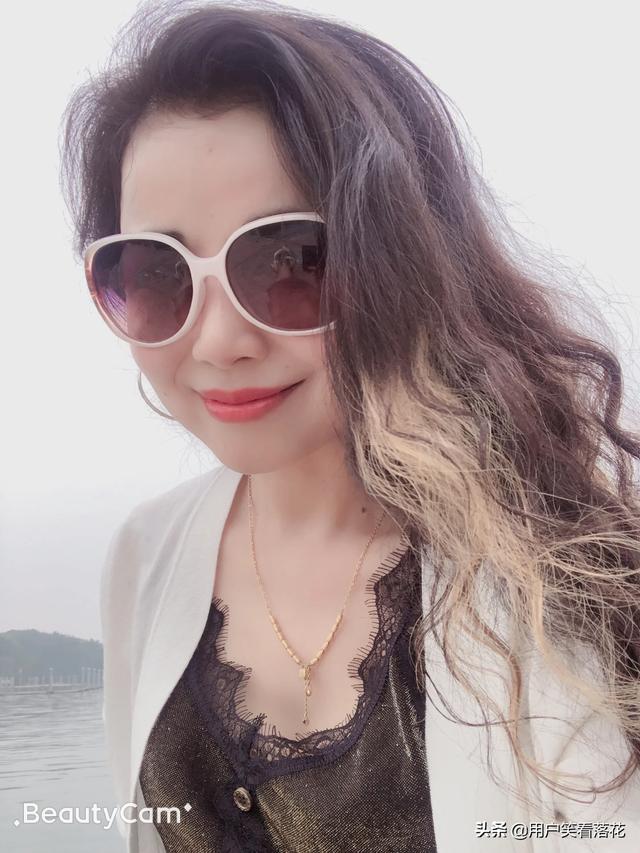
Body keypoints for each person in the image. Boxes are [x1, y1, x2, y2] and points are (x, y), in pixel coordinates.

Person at [59, 1, 640, 850]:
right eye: (154, 272)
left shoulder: (554, 564)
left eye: (292, 261)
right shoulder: (142, 557)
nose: (217, 342)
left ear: (408, 265)